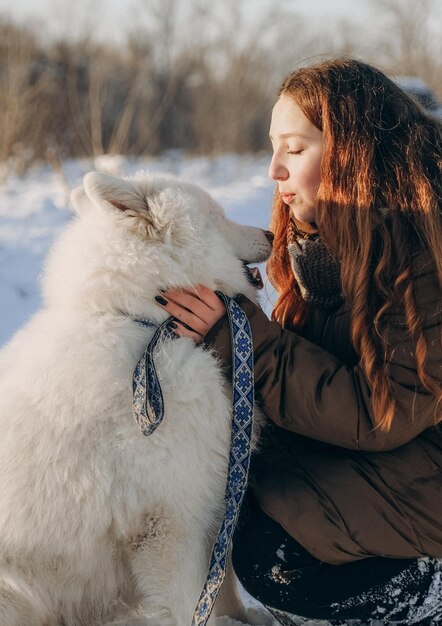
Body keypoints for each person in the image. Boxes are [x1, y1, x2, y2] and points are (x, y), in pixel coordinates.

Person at [154, 57, 442, 624]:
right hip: (392, 464)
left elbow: (378, 412)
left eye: (295, 148)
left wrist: (244, 340)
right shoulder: (332, 247)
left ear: (354, 155)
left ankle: (427, 593)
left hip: (421, 475)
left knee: (273, 556)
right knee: (244, 508)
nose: (273, 171)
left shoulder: (421, 260)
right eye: (272, 147)